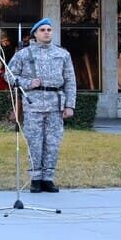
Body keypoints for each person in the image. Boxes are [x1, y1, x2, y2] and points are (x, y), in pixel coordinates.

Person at [6, 18, 76, 193]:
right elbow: (8, 76)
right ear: (35, 34)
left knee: (53, 143)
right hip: (33, 104)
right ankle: (35, 178)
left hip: (55, 104)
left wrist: (70, 105)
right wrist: (29, 83)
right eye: (43, 30)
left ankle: (48, 178)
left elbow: (70, 81)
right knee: (35, 142)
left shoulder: (62, 54)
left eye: (49, 30)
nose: (47, 32)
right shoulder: (24, 54)